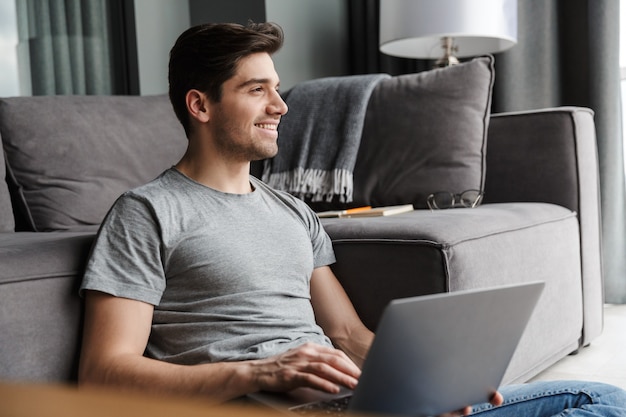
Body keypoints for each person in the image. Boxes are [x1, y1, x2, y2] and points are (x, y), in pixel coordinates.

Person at [78, 22, 626, 416]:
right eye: (256, 90)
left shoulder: (292, 212)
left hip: (353, 403)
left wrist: (427, 382)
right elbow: (103, 373)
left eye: (276, 87)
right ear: (200, 106)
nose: (281, 105)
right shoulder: (147, 212)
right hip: (266, 403)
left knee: (602, 398)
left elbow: (345, 332)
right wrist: (259, 373)